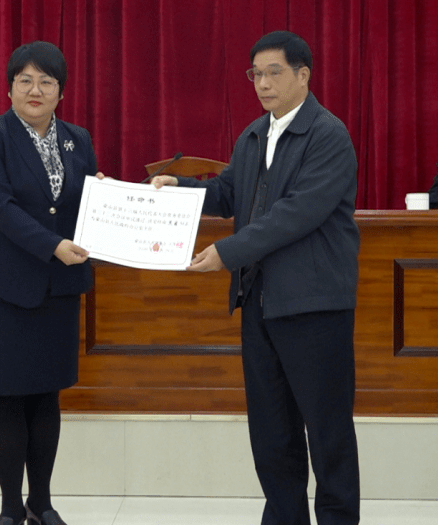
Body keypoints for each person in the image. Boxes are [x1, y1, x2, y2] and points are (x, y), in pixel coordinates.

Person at [154, 31, 361, 525]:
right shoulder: (253, 135)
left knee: (326, 431)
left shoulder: (329, 135)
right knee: (272, 433)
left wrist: (226, 252)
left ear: (303, 75)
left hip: (314, 306)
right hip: (261, 303)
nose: (262, 84)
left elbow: (295, 214)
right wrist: (173, 188)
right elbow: (228, 194)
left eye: (273, 73)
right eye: (256, 75)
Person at [0, 41, 98, 525]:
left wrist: (124, 211)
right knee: (7, 395)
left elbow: (87, 204)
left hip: (58, 292)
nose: (35, 90)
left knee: (46, 395)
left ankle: (42, 502)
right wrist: (53, 246)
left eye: (47, 81)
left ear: (61, 91)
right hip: (4, 290)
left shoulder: (78, 139)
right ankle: (9, 508)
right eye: (25, 80)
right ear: (10, 88)